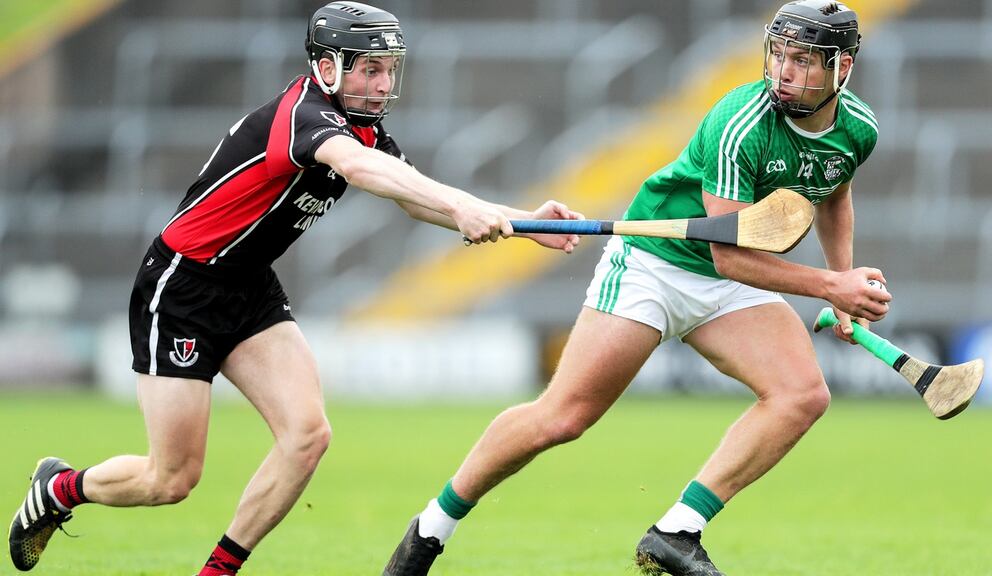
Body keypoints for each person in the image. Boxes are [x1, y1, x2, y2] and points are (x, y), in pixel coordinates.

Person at [7, 2, 582, 574]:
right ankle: (59, 489)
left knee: (306, 435)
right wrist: (460, 207)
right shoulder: (306, 117)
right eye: (371, 69)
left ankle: (218, 572)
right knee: (171, 478)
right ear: (328, 67)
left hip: (249, 287)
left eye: (390, 70)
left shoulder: (363, 129)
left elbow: (412, 196)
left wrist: (527, 222)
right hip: (183, 286)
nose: (384, 84)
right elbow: (361, 171)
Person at [383, 1, 893, 575]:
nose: (784, 70)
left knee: (802, 395)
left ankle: (677, 532)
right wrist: (831, 286)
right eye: (778, 54)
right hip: (656, 264)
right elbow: (728, 255)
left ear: (841, 67)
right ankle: (430, 529)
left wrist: (842, 284)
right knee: (562, 417)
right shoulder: (741, 121)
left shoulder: (858, 129)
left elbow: (834, 193)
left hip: (730, 281)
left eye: (802, 60)